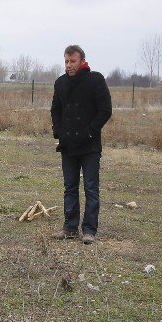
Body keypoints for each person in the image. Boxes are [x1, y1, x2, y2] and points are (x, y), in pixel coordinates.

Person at [50, 44, 113, 244]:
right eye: (66, 61)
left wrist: (90, 132)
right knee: (70, 187)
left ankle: (89, 230)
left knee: (91, 188)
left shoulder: (95, 80)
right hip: (68, 145)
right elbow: (55, 110)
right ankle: (69, 228)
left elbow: (105, 110)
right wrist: (59, 132)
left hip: (90, 146)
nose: (69, 65)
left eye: (73, 61)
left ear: (82, 61)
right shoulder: (60, 83)